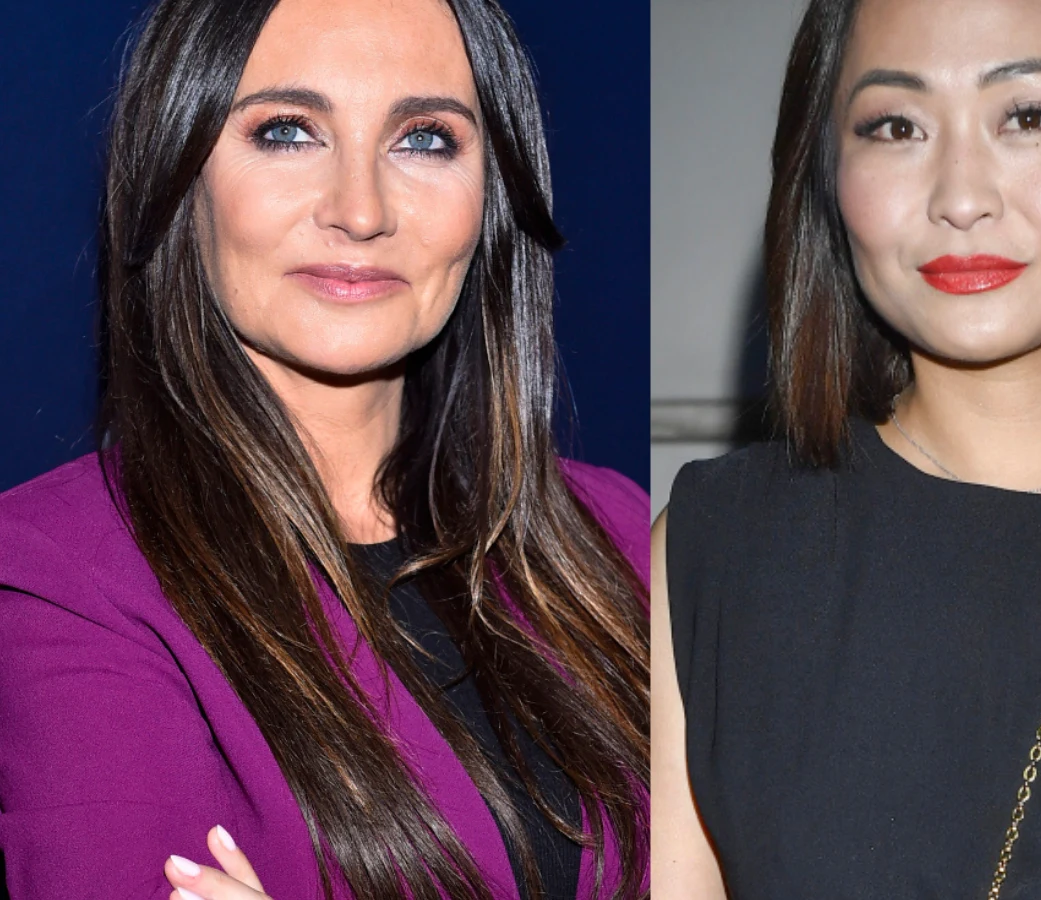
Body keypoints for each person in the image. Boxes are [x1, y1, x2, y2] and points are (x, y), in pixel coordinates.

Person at [0, 0, 649, 898]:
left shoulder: (620, 533)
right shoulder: (62, 572)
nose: (361, 210)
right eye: (286, 131)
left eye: (424, 139)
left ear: (491, 197)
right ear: (179, 173)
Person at [654, 0, 1041, 897]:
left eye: (1029, 116)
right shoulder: (710, 553)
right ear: (828, 169)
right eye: (895, 126)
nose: (959, 198)